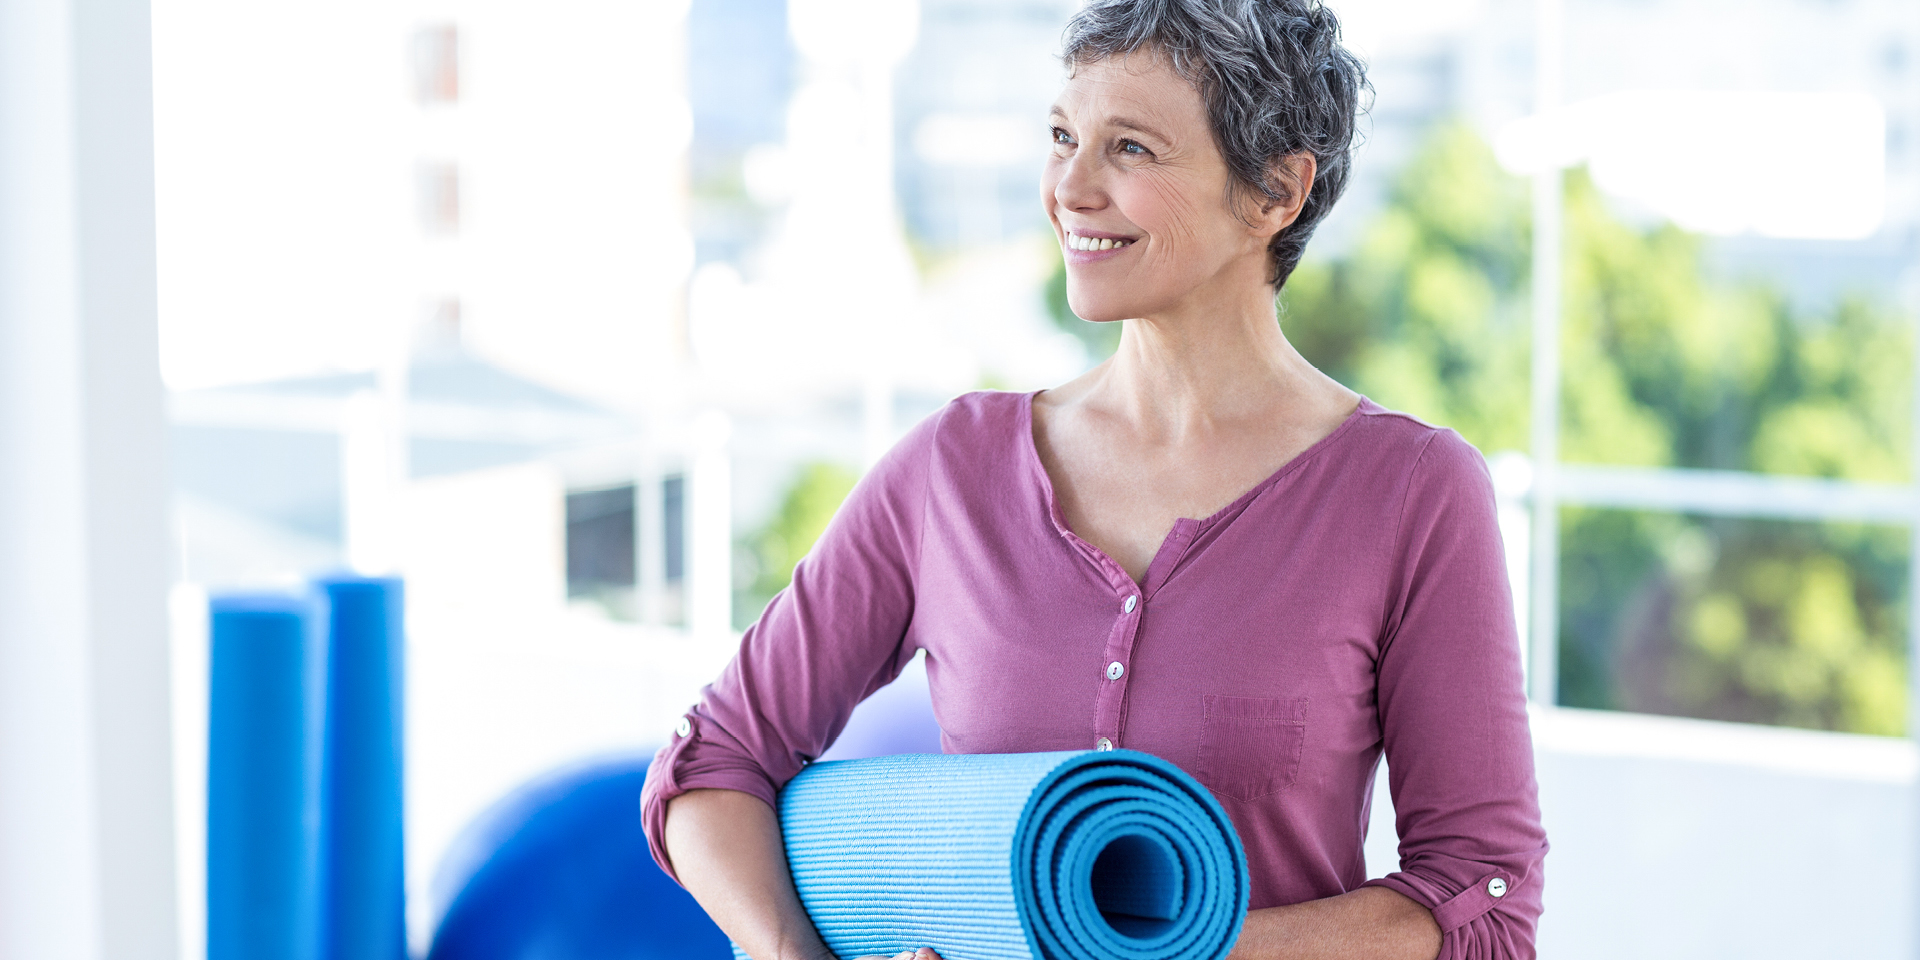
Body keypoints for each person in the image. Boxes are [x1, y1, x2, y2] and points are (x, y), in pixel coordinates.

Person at [641, 1, 1549, 958]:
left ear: (1277, 192)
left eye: (1131, 149)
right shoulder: (953, 470)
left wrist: (1163, 948)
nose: (1070, 187)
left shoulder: (1410, 492)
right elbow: (712, 764)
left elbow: (1482, 900)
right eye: (1063, 136)